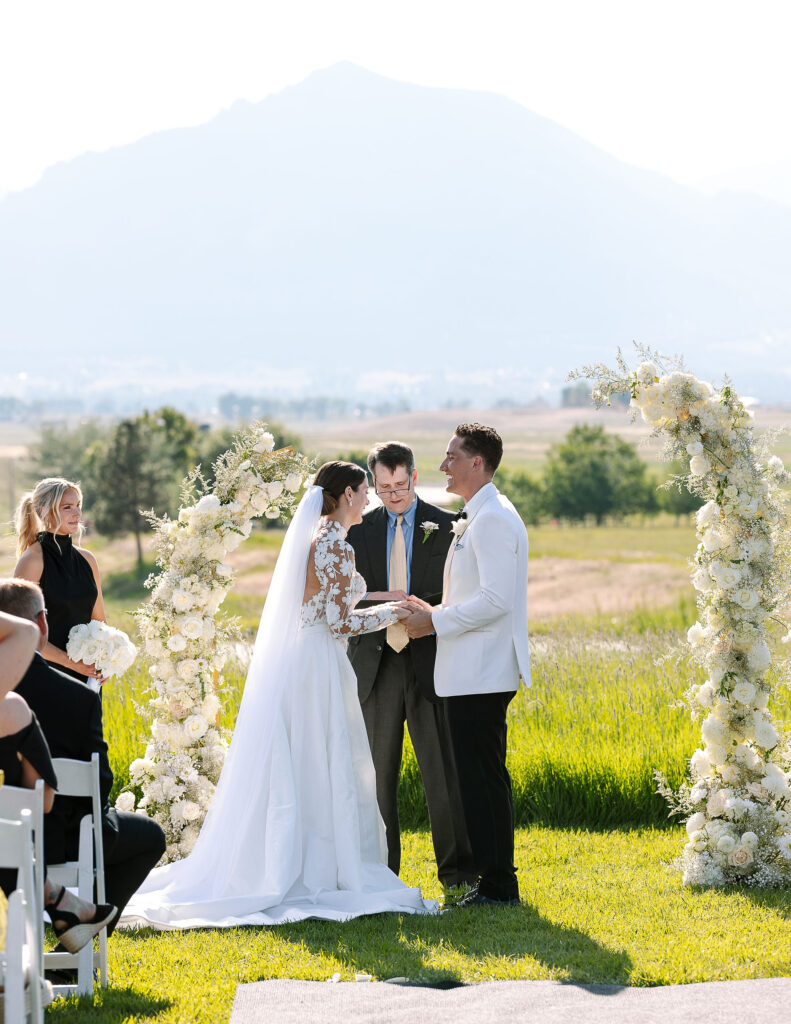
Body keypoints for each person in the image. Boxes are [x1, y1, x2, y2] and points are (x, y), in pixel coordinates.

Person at [121, 462, 434, 929]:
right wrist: (394, 611)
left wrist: (389, 598)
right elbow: (340, 622)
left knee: (312, 760)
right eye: (365, 491)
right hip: (315, 665)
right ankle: (316, 868)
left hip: (309, 660)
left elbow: (330, 603)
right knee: (319, 760)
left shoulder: (324, 539)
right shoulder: (332, 543)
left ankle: (311, 859)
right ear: (347, 494)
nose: (369, 499)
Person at [402, 424, 530, 907]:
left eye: (452, 456)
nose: (443, 466)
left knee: (482, 780)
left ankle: (499, 885)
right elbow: (477, 593)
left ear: (478, 463)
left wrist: (435, 621)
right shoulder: (482, 513)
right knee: (479, 778)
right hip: (471, 670)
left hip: (480, 671)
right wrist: (434, 608)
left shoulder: (493, 518)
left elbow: (497, 600)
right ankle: (493, 878)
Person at [0, 579, 165, 933]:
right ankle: (79, 931)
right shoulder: (80, 699)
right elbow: (101, 785)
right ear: (41, 624)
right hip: (68, 840)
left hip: (8, 838)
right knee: (151, 836)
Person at [346, 442, 475, 893]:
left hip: (432, 664)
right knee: (376, 778)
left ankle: (458, 875)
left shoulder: (448, 526)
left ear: (415, 478)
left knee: (442, 773)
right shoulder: (357, 528)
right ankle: (381, 876)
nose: (394, 495)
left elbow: (460, 594)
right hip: (374, 667)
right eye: (384, 488)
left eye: (401, 486)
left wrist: (427, 613)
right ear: (373, 483)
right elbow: (345, 595)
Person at [0, 610, 116, 952]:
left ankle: (58, 898)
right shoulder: (14, 711)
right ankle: (59, 901)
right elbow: (44, 799)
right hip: (34, 844)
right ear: (42, 624)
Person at [14, 477, 108, 683]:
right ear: (43, 511)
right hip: (47, 677)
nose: (77, 513)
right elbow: (22, 632)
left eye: (78, 506)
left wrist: (107, 659)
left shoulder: (88, 560)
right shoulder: (32, 561)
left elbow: (99, 621)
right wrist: (72, 664)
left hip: (89, 675)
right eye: (67, 507)